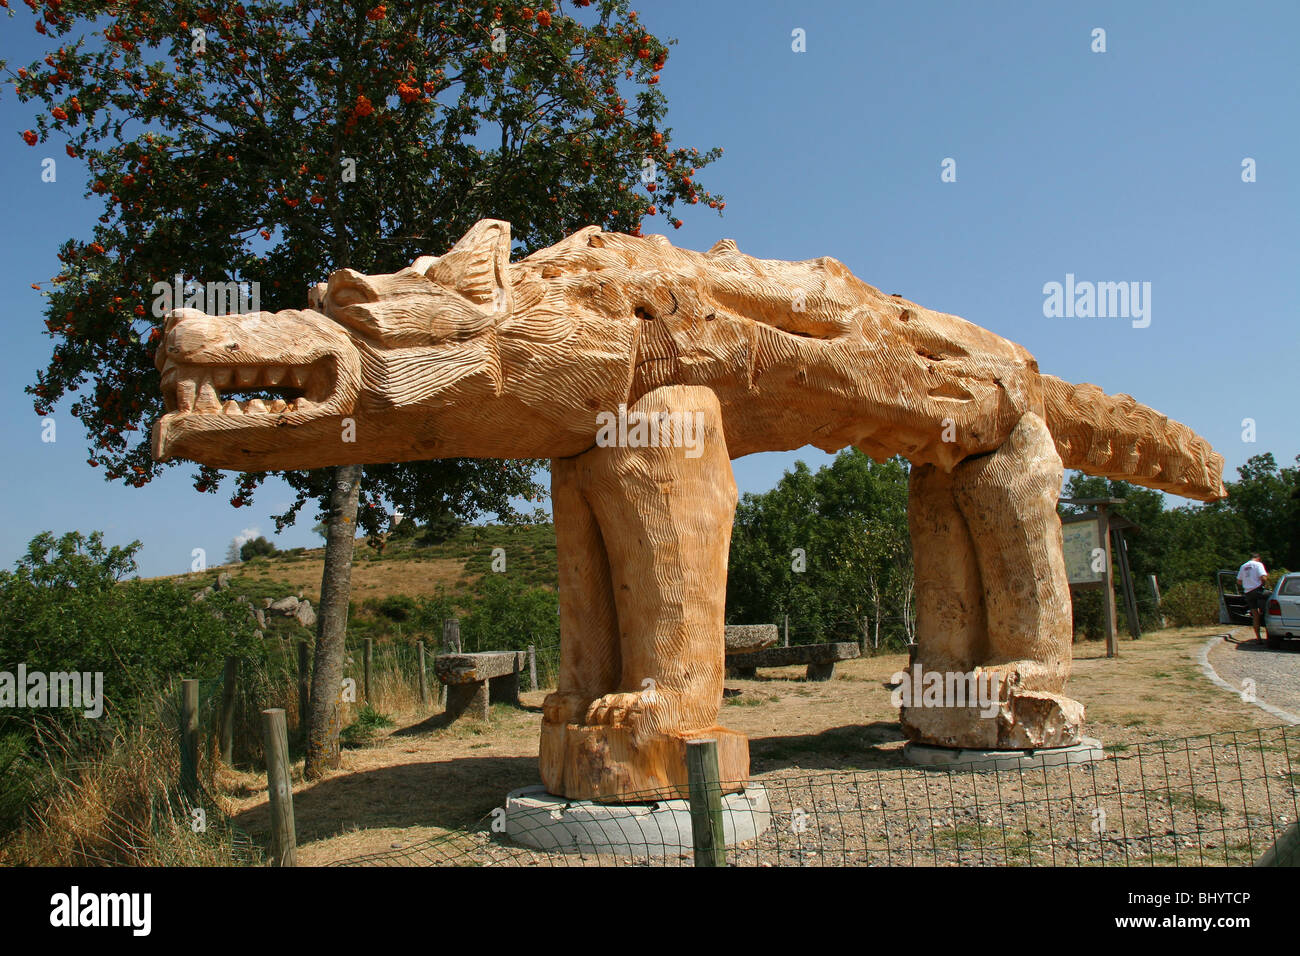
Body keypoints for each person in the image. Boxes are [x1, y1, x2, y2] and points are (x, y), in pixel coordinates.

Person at [1236, 553, 1269, 641]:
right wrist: (1262, 584)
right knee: (1272, 598)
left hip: (1248, 593)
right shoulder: (1258, 564)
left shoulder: (1243, 566)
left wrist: (1247, 583)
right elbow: (1264, 578)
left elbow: (1239, 581)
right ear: (1258, 558)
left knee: (1255, 615)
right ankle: (1269, 634)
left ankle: (1258, 638)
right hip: (1258, 591)